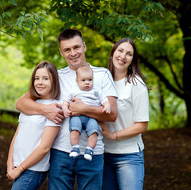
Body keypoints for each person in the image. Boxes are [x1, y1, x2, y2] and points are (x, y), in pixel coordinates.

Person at [16, 29, 118, 190]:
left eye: (76, 47)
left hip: (92, 153)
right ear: (61, 52)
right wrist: (45, 110)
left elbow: (112, 114)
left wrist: (83, 109)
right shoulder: (56, 76)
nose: (73, 53)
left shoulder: (102, 74)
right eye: (67, 49)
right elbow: (21, 103)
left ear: (84, 46)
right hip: (61, 152)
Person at [99, 38, 149, 190]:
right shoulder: (101, 82)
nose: (123, 56)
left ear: (133, 60)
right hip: (103, 154)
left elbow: (142, 125)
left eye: (129, 54)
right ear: (113, 53)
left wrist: (114, 135)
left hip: (129, 156)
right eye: (120, 51)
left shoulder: (136, 84)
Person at [6, 61, 61, 190]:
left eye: (45, 78)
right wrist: (10, 163)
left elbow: (45, 147)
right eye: (37, 78)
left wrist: (20, 169)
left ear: (54, 82)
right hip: (17, 165)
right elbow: (16, 136)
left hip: (33, 169)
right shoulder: (30, 104)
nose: (40, 82)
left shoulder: (55, 108)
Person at [62, 65, 110, 161]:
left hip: (91, 118)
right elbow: (65, 101)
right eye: (83, 80)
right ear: (77, 81)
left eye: (90, 80)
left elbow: (104, 100)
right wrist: (65, 109)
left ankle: (89, 150)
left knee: (94, 132)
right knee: (74, 130)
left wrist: (107, 106)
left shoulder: (96, 90)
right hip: (77, 117)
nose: (87, 83)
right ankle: (75, 147)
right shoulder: (74, 90)